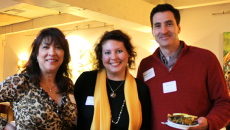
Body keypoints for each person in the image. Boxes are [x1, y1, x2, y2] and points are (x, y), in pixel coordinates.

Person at [136, 3, 230, 130]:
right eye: (158, 26)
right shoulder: (145, 65)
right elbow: (141, 107)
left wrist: (209, 123)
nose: (163, 30)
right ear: (152, 31)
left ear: (178, 28)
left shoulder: (206, 59)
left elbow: (224, 103)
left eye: (169, 24)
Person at [0, 27, 77, 129]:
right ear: (36, 54)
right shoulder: (20, 82)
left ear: (64, 54)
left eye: (58, 47)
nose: (52, 52)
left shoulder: (67, 84)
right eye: (46, 47)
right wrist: (5, 126)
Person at [74, 30, 151, 130]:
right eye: (107, 52)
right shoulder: (86, 81)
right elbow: (73, 119)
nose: (114, 57)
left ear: (128, 53)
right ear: (101, 56)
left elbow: (146, 127)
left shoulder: (141, 89)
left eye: (119, 51)